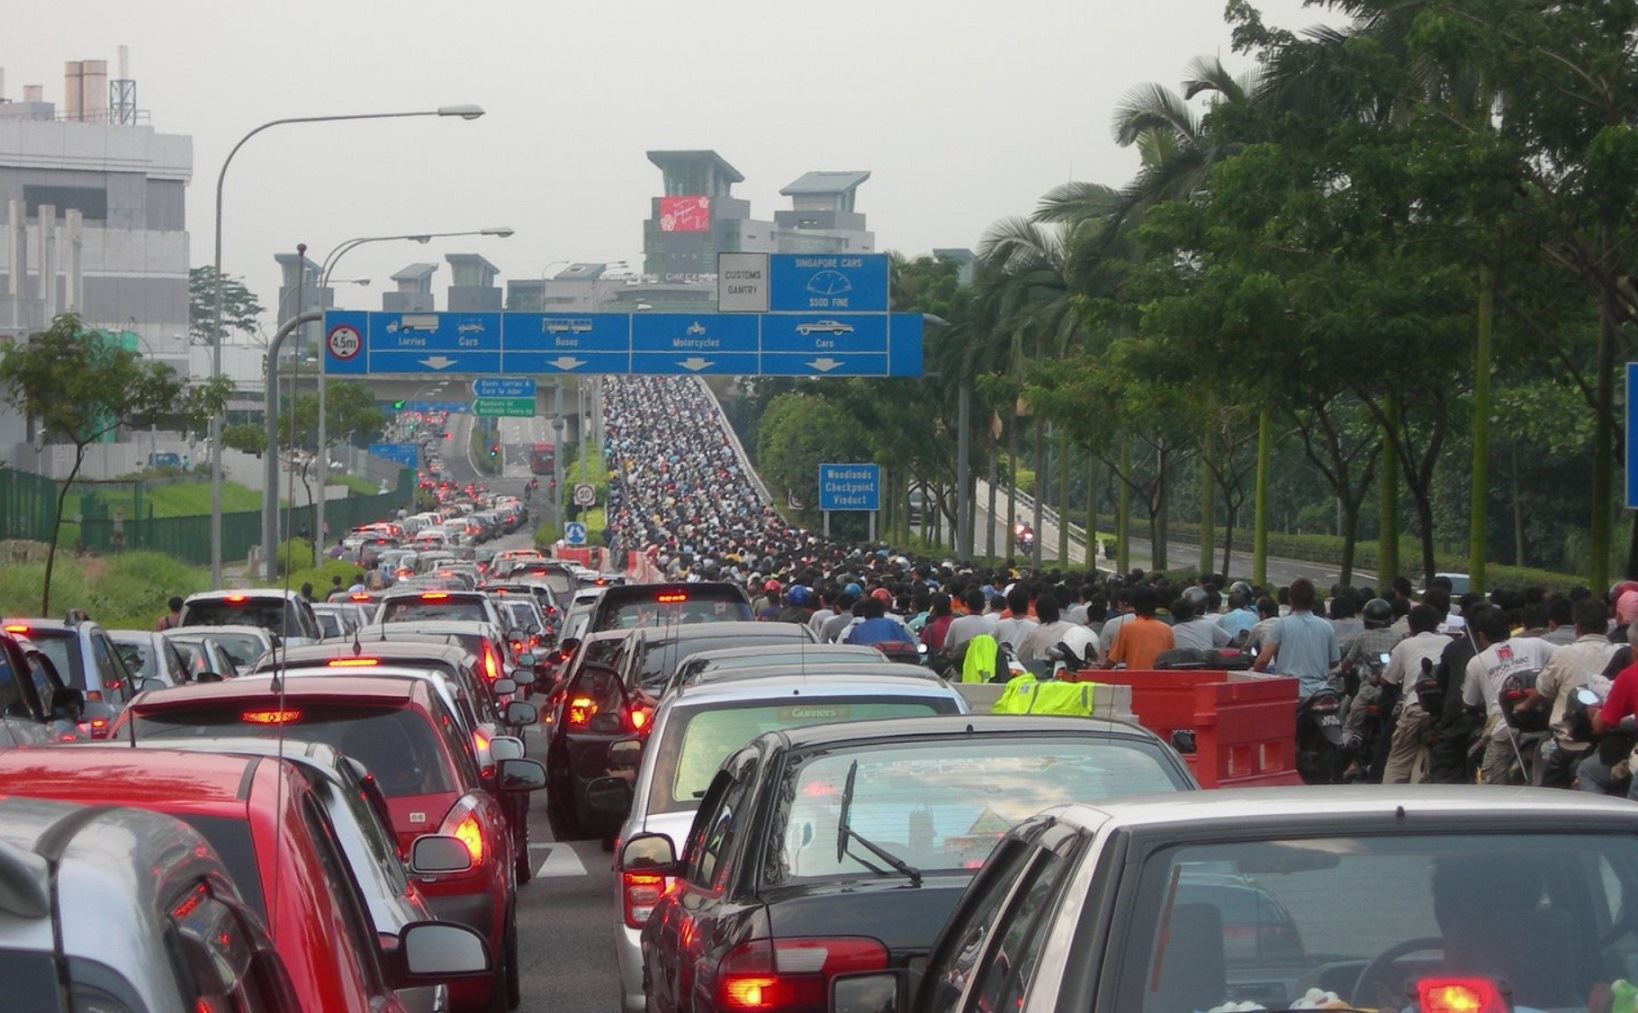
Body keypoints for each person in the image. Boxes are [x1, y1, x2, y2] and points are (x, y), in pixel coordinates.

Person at [1521, 598, 1616, 786]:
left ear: (1577, 628)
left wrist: (1523, 706)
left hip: (1568, 739)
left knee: (1547, 790)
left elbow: (1542, 690)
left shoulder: (1563, 654)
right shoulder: (1621, 652)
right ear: (1606, 627)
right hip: (1609, 739)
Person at [1460, 604, 1558, 785]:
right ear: (1510, 628)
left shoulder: (1475, 662)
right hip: (1545, 721)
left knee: (1492, 787)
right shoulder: (1536, 643)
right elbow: (1563, 657)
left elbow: (1470, 702)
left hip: (1504, 727)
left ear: (1480, 636)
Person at [1380, 604, 1453, 784]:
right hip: (1443, 713)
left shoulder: (1404, 645)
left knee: (1398, 760)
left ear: (1410, 626)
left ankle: (1387, 801)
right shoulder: (1448, 642)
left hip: (1414, 706)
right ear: (1437, 624)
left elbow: (1387, 679)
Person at [1253, 578, 1338, 701]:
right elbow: (1334, 662)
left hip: (1289, 692)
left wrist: (1253, 675)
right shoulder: (1327, 627)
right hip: (1321, 693)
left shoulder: (1281, 625)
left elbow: (1263, 660)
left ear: (1290, 601)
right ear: (1313, 601)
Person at [1017, 594, 1099, 666]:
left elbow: (1021, 657)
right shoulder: (1072, 627)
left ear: (1038, 613)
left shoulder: (1034, 633)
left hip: (1044, 674)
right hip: (1070, 672)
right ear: (1057, 610)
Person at [1104, 586, 1173, 670]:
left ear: (1135, 605)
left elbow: (1112, 660)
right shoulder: (1167, 629)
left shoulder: (1127, 628)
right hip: (1160, 680)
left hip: (1136, 679)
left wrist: (1098, 672)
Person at [844, 596, 916, 648]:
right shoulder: (893, 624)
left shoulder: (855, 630)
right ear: (882, 612)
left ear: (864, 613)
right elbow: (909, 645)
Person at [992, 586, 1038, 651]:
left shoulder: (999, 625)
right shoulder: (1035, 627)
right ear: (1026, 604)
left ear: (1008, 604)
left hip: (1004, 659)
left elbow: (991, 641)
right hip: (1025, 661)